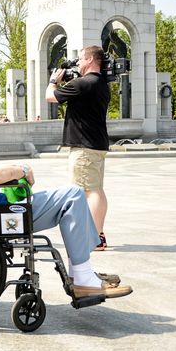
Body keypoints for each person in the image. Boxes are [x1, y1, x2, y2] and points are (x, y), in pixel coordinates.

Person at [0, 86, 131, 300]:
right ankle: (82, 277)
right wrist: (23, 169)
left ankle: (83, 272)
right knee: (73, 195)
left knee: (73, 196)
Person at [46, 45, 111, 250]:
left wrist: (53, 81)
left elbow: (51, 97)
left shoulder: (83, 83)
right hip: (96, 144)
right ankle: (98, 235)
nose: (78, 63)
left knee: (87, 192)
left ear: (91, 59)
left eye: (81, 59)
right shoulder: (100, 83)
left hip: (84, 146)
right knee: (96, 190)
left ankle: (94, 237)